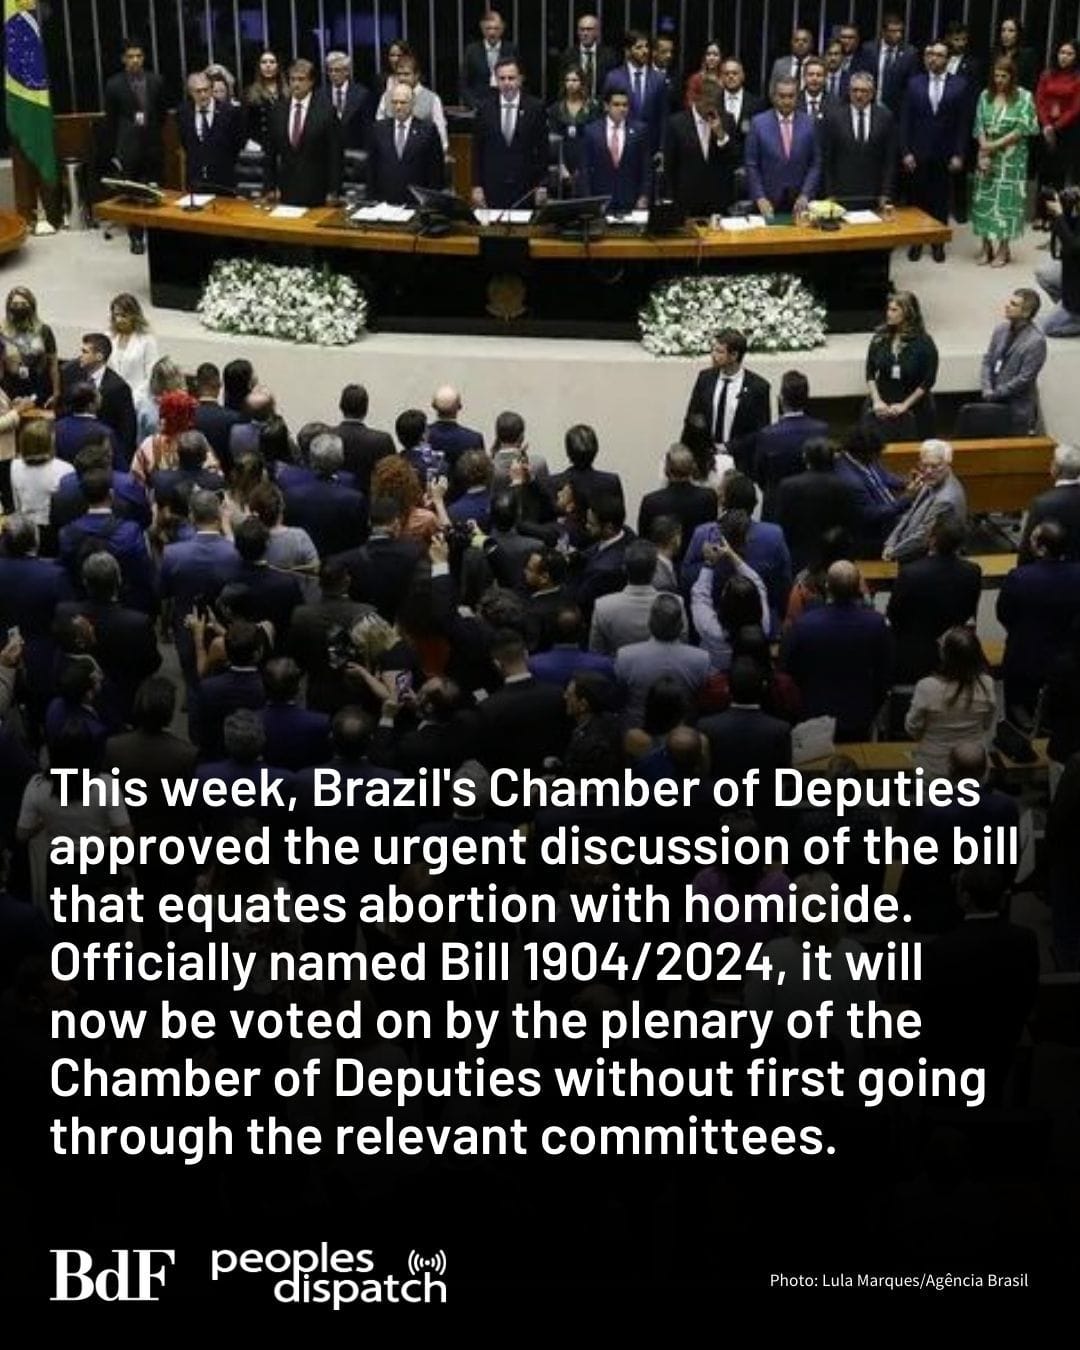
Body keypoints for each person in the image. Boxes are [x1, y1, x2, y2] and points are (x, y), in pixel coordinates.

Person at [780, 561, 893, 741]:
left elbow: (787, 669)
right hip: (859, 712)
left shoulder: (805, 624)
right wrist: (872, 705)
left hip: (815, 712)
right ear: (858, 588)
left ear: (827, 587)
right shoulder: (876, 624)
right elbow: (885, 673)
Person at [886, 512, 982, 684]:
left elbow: (894, 613)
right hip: (954, 649)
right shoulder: (972, 571)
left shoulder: (910, 573)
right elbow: (970, 609)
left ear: (932, 540)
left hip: (914, 651)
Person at [997, 521, 1080, 719]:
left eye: (1033, 539)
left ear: (1042, 549)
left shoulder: (1019, 577)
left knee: (1020, 713)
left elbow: (1004, 614)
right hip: (1070, 656)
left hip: (1025, 657)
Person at [901, 40, 971, 259]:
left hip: (945, 153)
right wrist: (905, 151)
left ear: (948, 60)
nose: (933, 58)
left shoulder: (960, 85)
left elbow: (963, 124)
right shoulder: (914, 83)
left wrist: (959, 154)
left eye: (939, 55)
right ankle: (916, 241)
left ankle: (937, 242)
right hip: (918, 152)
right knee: (917, 199)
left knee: (940, 200)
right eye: (930, 54)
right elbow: (905, 121)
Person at [971, 57, 1039, 267]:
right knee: (983, 201)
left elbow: (1024, 127)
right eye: (996, 75)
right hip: (987, 154)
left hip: (1011, 159)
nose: (999, 80)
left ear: (1012, 77)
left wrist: (995, 145)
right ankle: (986, 246)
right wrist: (984, 149)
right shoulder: (985, 95)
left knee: (1006, 205)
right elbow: (979, 125)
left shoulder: (1024, 96)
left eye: (1004, 76)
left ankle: (1003, 248)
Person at [103, 36, 166, 254]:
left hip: (153, 145)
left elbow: (162, 115)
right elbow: (111, 121)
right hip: (128, 148)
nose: (135, 60)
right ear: (123, 59)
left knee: (155, 192)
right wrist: (114, 152)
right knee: (132, 196)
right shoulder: (114, 85)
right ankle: (136, 238)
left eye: (139, 56)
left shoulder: (156, 81)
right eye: (131, 56)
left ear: (144, 57)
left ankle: (157, 238)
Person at [905, 627, 996, 776]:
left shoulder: (927, 687)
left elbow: (912, 729)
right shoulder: (987, 684)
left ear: (945, 655)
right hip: (975, 766)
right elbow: (987, 724)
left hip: (933, 767)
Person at [684, 328, 772, 476]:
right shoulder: (705, 378)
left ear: (734, 355)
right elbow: (693, 416)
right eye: (714, 350)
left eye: (719, 352)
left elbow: (760, 432)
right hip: (705, 464)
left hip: (740, 466)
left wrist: (728, 447)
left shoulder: (758, 387)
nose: (713, 355)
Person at [470, 59, 549, 211]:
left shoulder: (535, 108)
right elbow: (477, 150)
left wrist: (542, 185)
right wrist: (476, 186)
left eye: (511, 78)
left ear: (520, 79)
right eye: (502, 78)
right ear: (496, 80)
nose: (506, 83)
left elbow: (543, 151)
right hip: (492, 186)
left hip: (526, 188)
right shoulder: (484, 108)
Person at [265, 58, 342, 207]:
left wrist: (334, 191)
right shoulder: (278, 110)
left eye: (301, 79)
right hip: (286, 190)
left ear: (311, 82)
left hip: (317, 192)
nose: (296, 84)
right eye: (292, 79)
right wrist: (269, 187)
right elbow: (270, 153)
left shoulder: (326, 111)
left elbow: (335, 154)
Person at [863, 291, 938, 440]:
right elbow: (870, 372)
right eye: (888, 309)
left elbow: (928, 380)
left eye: (894, 310)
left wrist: (905, 405)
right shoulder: (880, 338)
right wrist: (877, 400)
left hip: (914, 406)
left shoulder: (924, 343)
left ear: (908, 313)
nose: (888, 314)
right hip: (882, 404)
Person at [744, 77, 821, 217]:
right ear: (774, 97)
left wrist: (806, 194)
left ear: (797, 97)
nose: (786, 101)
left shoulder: (809, 123)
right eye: (782, 96)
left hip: (800, 204)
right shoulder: (758, 123)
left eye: (791, 96)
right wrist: (760, 197)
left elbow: (815, 163)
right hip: (767, 203)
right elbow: (751, 165)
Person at [882, 440, 968, 563]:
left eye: (935, 466)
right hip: (907, 549)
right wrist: (890, 542)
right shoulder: (932, 481)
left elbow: (923, 537)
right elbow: (910, 513)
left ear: (948, 465)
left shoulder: (946, 499)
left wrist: (893, 552)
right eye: (924, 465)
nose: (928, 471)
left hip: (928, 559)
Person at [662, 80, 738, 219]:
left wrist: (721, 135)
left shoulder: (727, 120)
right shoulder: (676, 123)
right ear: (696, 99)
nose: (712, 109)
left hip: (718, 201)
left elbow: (734, 159)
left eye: (716, 104)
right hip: (686, 201)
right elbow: (670, 166)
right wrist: (671, 198)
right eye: (708, 104)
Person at [752, 369, 829, 505]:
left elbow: (759, 474)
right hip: (812, 503)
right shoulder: (821, 430)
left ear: (782, 399)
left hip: (778, 503)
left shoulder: (767, 434)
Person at [821, 71, 896, 208]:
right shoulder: (834, 117)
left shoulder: (885, 117)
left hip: (874, 195)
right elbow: (828, 160)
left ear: (872, 93)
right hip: (842, 194)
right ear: (849, 92)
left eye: (864, 91)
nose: (859, 95)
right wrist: (830, 193)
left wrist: (885, 192)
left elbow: (889, 160)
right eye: (855, 90)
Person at [60, 332, 136, 462]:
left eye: (85, 352)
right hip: (70, 446)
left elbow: (127, 430)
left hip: (101, 453)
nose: (80, 356)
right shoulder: (70, 373)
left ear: (99, 356)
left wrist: (121, 462)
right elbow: (63, 409)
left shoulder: (118, 388)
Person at [834, 424, 909, 557]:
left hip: (889, 517)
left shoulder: (864, 459)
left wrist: (907, 483)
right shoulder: (850, 481)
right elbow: (872, 514)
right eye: (876, 454)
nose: (878, 457)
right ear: (862, 453)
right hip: (874, 537)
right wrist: (906, 500)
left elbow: (885, 477)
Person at [366, 83, 445, 206]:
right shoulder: (378, 129)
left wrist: (432, 203)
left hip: (416, 202)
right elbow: (372, 167)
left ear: (413, 103)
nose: (398, 107)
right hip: (385, 202)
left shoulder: (428, 130)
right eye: (394, 102)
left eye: (403, 102)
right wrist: (371, 199)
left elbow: (436, 171)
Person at [980, 289, 1048, 430]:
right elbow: (987, 360)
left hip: (1017, 409)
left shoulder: (1036, 341)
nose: (1007, 306)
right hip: (992, 400)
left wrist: (996, 393)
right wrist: (987, 388)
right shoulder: (1000, 329)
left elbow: (1024, 378)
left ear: (1026, 313)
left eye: (1013, 304)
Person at [601, 30, 670, 156]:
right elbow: (606, 114)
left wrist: (662, 148)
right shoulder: (614, 77)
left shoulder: (659, 79)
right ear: (627, 51)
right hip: (620, 145)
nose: (645, 51)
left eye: (647, 47)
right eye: (639, 47)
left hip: (650, 147)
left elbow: (663, 117)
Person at [581, 88, 650, 212]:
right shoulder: (591, 131)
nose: (622, 109)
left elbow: (645, 166)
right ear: (606, 106)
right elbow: (585, 168)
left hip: (631, 199)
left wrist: (644, 195)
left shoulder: (640, 130)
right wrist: (588, 200)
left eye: (625, 105)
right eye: (616, 104)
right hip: (601, 199)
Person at [178, 69, 246, 194]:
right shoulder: (184, 112)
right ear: (190, 92)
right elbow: (185, 144)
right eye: (198, 91)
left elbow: (238, 144)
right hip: (196, 181)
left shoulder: (230, 112)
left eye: (206, 90)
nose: (203, 95)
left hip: (224, 181)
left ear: (211, 89)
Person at [375, 53, 449, 153]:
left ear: (417, 75)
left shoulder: (432, 99)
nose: (402, 78)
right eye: (399, 74)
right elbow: (379, 131)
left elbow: (441, 136)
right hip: (391, 156)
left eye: (406, 74)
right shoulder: (386, 97)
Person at [1019, 442, 1080, 561]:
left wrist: (1022, 570)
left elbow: (1029, 547)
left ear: (1056, 469)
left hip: (1055, 568)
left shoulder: (1042, 504)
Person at [1036, 40, 1080, 206]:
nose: (1064, 57)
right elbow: (1039, 101)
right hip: (1045, 127)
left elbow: (1075, 108)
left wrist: (1055, 127)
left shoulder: (1078, 77)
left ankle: (1056, 213)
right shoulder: (1047, 74)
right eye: (1062, 52)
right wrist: (1047, 125)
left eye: (1069, 54)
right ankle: (1040, 212)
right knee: (1043, 172)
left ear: (1076, 57)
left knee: (1059, 174)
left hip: (1067, 130)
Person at [10, 415, 73, 530]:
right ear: (50, 443)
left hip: (26, 526)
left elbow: (16, 503)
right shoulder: (65, 469)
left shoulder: (14, 465)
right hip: (53, 527)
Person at [1, 286, 58, 409]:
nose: (19, 308)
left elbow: (53, 365)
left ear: (31, 306)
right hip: (10, 390)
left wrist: (56, 392)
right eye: (15, 304)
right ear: (8, 307)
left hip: (38, 388)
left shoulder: (44, 330)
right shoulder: (2, 331)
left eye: (23, 304)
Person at [854, 12, 918, 115]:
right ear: (883, 32)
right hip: (870, 106)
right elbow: (862, 76)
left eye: (900, 31)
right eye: (893, 31)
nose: (898, 35)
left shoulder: (910, 53)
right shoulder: (868, 49)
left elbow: (911, 85)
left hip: (897, 110)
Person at [547, 67, 601, 188]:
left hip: (587, 160)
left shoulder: (592, 108)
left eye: (575, 80)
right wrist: (562, 166)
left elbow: (596, 139)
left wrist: (583, 168)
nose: (570, 84)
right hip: (563, 160)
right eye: (567, 80)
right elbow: (554, 140)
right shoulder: (555, 108)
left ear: (582, 82)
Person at [1037, 188, 1080, 337]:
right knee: (1044, 273)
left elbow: (1073, 246)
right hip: (1073, 279)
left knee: (1047, 327)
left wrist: (1060, 215)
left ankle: (1075, 316)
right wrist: (1062, 212)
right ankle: (1070, 312)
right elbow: (1068, 232)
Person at [106, 293, 158, 408]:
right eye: (116, 315)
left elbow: (151, 376)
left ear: (134, 315)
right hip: (111, 399)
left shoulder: (147, 340)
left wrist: (133, 397)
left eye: (123, 315)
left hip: (137, 400)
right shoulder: (109, 337)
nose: (119, 320)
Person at [461, 10, 518, 110]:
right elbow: (463, 83)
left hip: (506, 102)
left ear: (502, 28)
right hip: (479, 103)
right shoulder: (472, 51)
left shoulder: (511, 49)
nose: (492, 32)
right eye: (488, 28)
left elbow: (519, 79)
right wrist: (474, 104)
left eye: (496, 28)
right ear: (482, 28)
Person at [556, 13, 617, 104]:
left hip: (601, 106)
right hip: (575, 105)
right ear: (577, 32)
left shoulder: (609, 55)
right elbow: (561, 84)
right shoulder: (568, 55)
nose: (585, 33)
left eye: (589, 29)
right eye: (582, 29)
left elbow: (613, 85)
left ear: (597, 32)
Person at [322, 50, 371, 151]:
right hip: (328, 151)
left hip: (355, 151)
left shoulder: (361, 94)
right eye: (330, 70)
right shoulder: (321, 94)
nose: (333, 74)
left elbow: (367, 128)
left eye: (337, 70)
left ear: (347, 71)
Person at [243, 50, 287, 151]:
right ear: (259, 66)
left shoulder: (287, 92)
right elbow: (244, 124)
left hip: (284, 147)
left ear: (278, 66)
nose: (268, 65)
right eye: (264, 62)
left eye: (272, 62)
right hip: (259, 147)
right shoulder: (249, 93)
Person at [992, 16, 1039, 91]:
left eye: (1011, 31)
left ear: (1018, 34)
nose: (1006, 34)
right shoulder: (995, 54)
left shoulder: (1027, 55)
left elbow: (1031, 84)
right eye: (1003, 30)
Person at [768, 29, 815, 93]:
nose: (800, 44)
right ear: (791, 43)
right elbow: (772, 89)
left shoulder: (818, 64)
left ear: (811, 45)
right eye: (796, 40)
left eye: (805, 41)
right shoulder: (780, 64)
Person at [685, 41, 724, 108]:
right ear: (704, 57)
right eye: (708, 54)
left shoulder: (725, 78)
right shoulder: (696, 79)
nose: (711, 58)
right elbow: (690, 102)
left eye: (715, 55)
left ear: (721, 57)